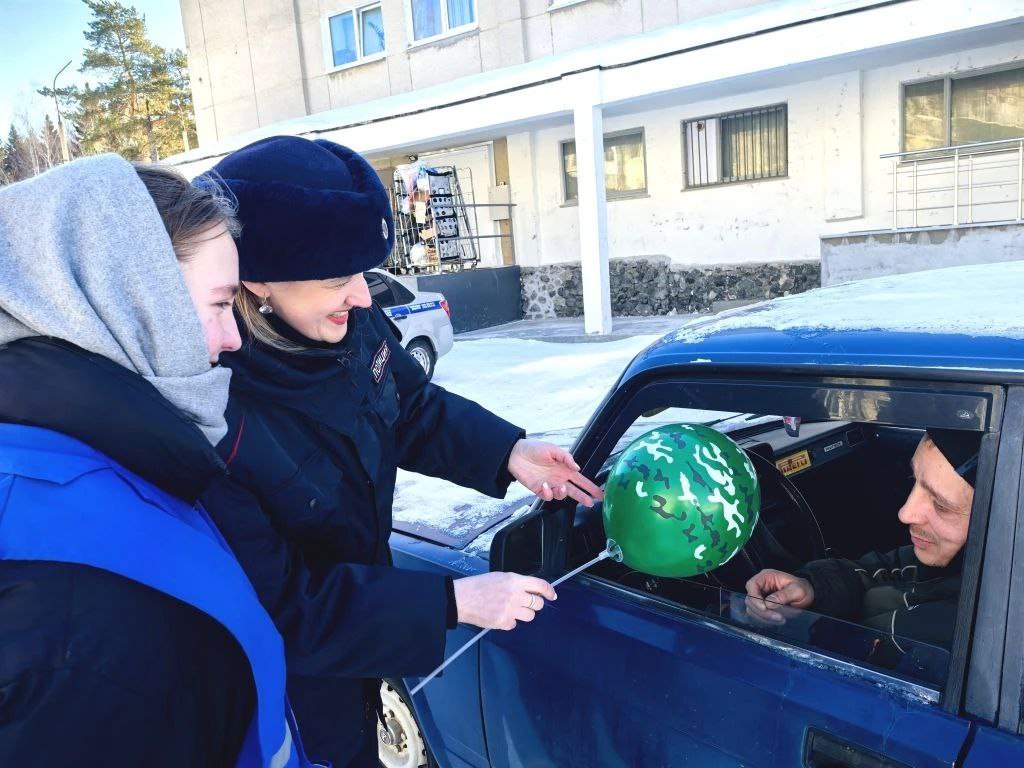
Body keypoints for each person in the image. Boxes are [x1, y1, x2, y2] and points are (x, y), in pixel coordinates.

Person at [200, 135, 604, 766]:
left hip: (362, 637)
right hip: (286, 690)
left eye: (361, 272)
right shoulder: (217, 415)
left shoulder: (352, 327)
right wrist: (453, 602)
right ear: (256, 281)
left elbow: (409, 408)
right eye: (337, 278)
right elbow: (284, 604)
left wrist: (509, 450)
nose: (363, 295)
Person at [0, 157, 308, 766]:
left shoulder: (109, 457)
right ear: (131, 299)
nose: (234, 340)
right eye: (220, 306)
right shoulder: (73, 611)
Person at [745, 428, 978, 657]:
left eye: (942, 505)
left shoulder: (969, 642)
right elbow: (885, 570)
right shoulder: (959, 559)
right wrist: (813, 587)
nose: (905, 513)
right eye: (913, 479)